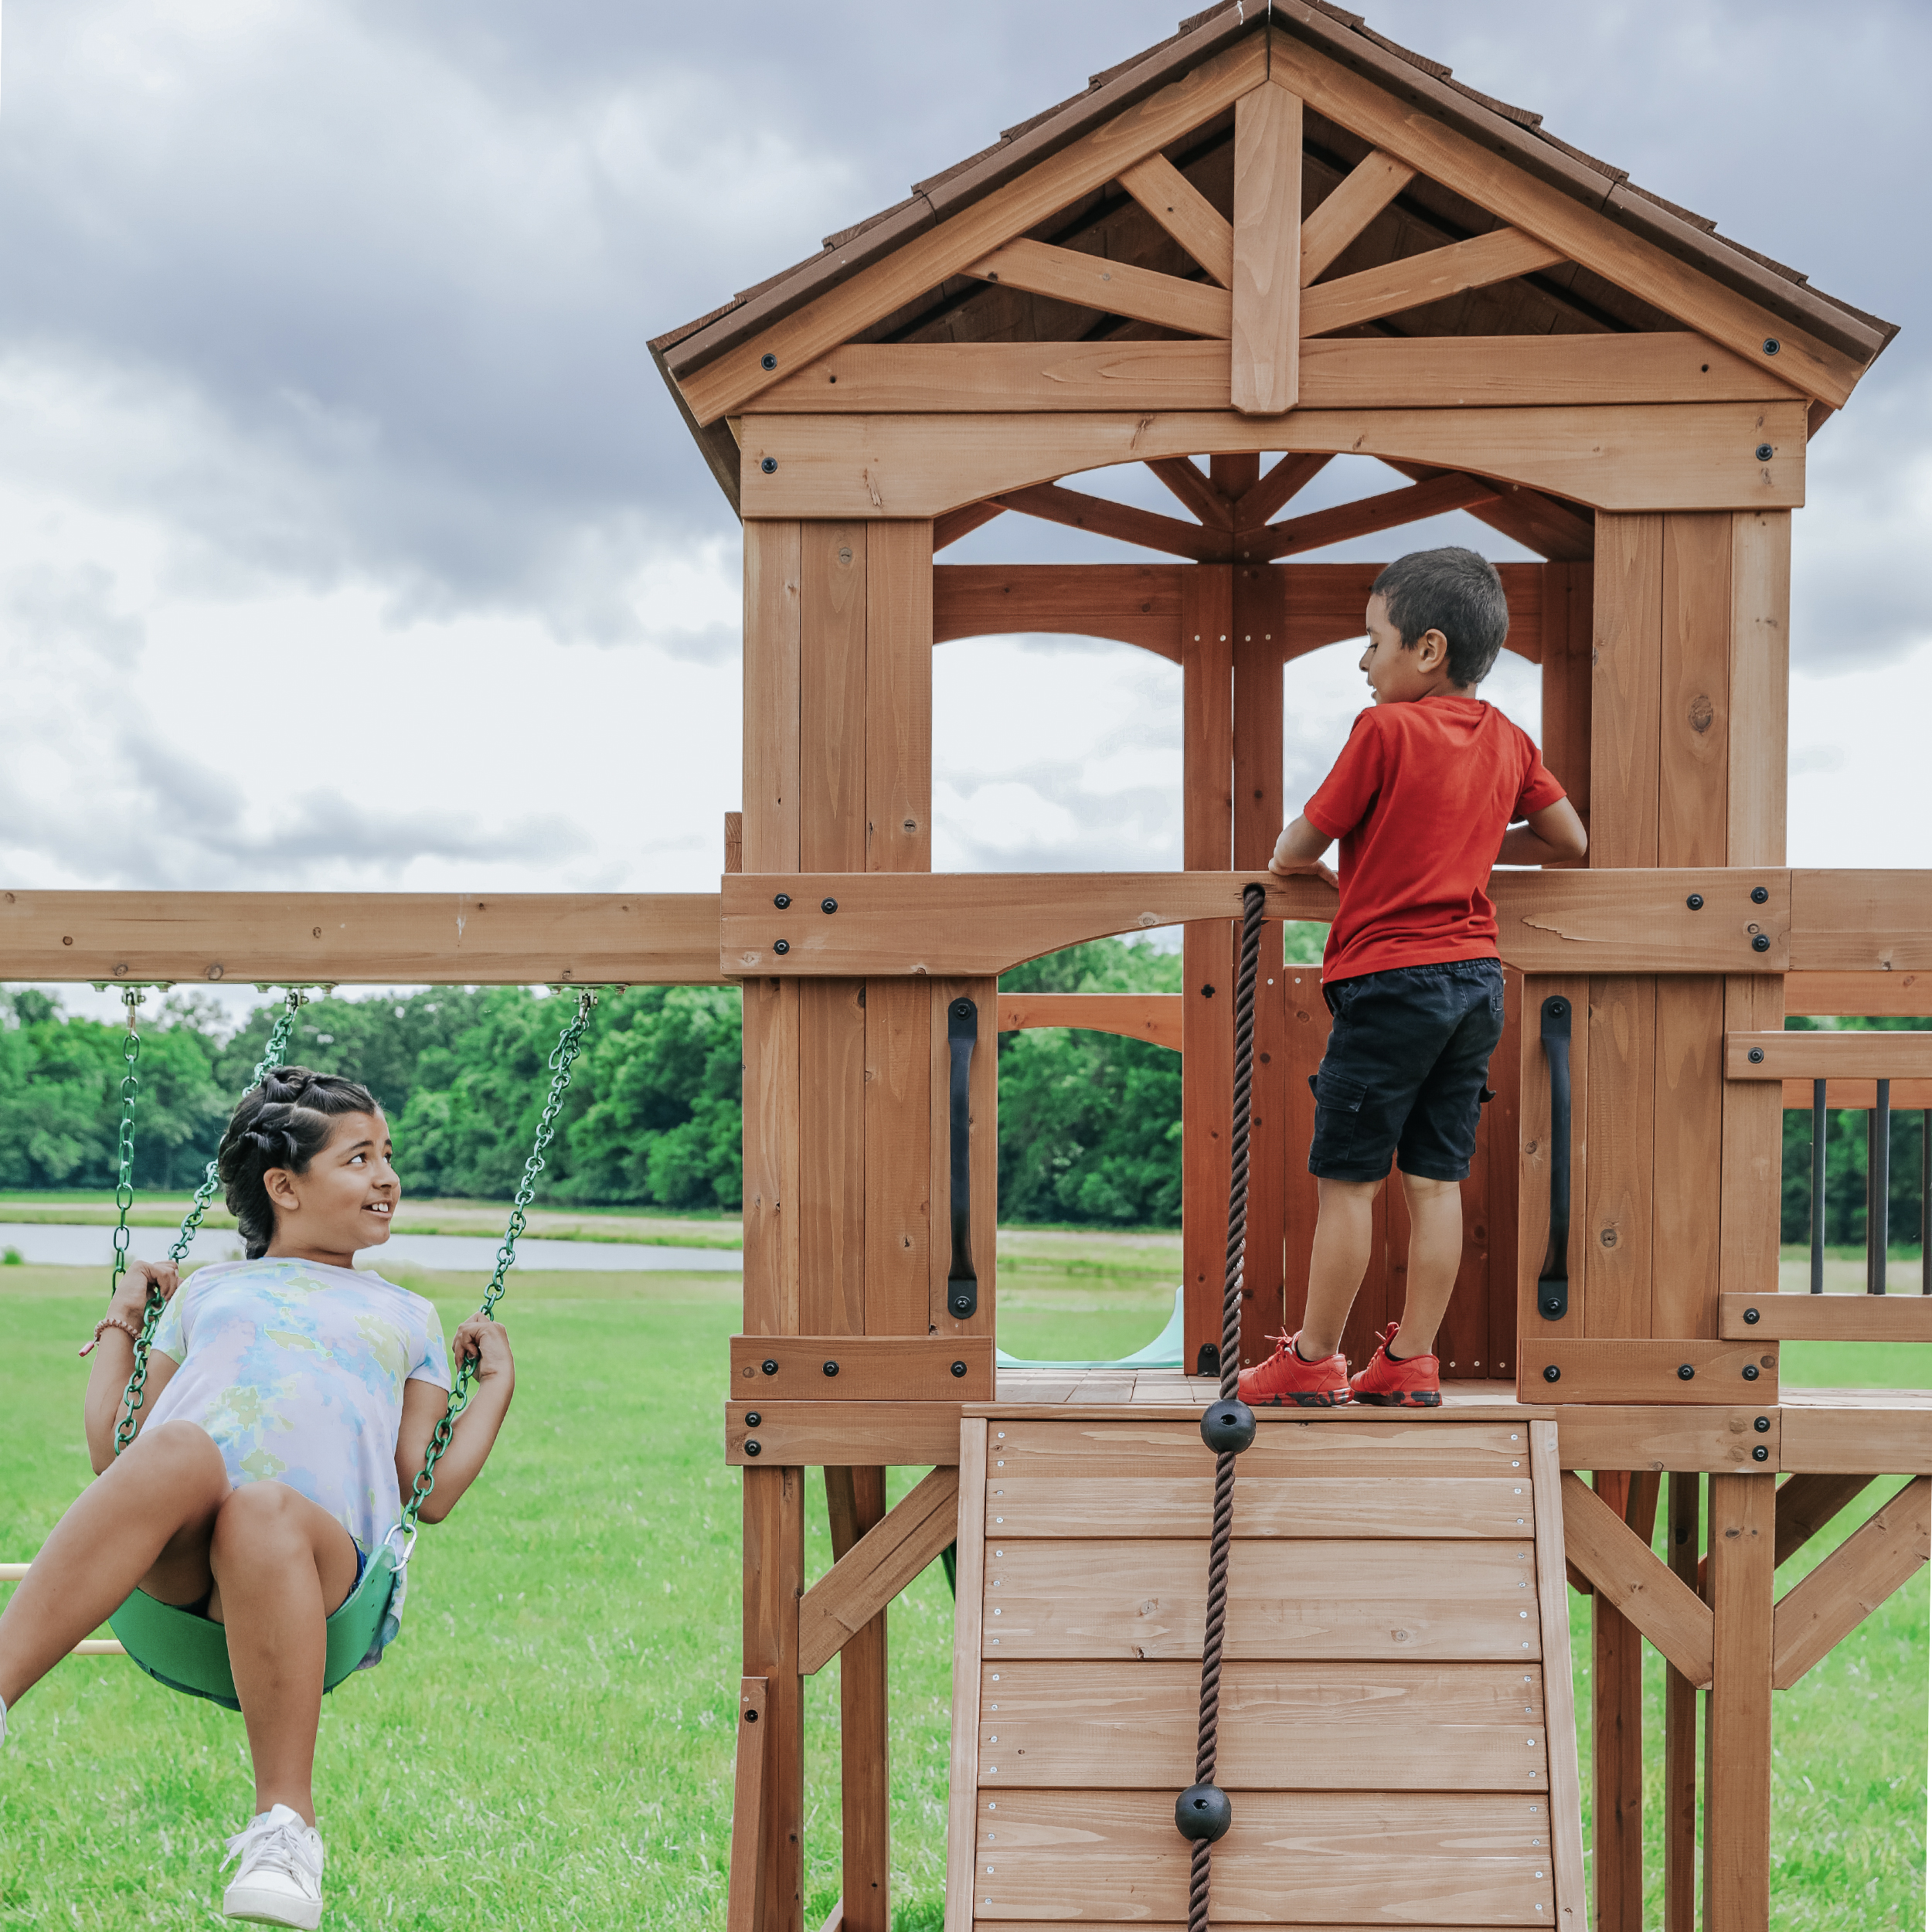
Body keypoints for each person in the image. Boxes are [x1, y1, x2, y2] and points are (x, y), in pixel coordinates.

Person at [0, 1068, 515, 1929]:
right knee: (177, 1448)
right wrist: (126, 1316)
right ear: (284, 1186)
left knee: (262, 1509)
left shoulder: (410, 1316)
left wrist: (493, 1385)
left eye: (387, 1155)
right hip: (176, 1570)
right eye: (359, 1158)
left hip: (315, 1574)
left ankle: (285, 1830)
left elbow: (424, 1490)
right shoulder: (209, 1289)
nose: (387, 1177)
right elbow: (117, 1452)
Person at [1240, 546, 1587, 1410]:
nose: (1364, 663)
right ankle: (1410, 1361)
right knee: (1435, 1182)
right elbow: (1569, 839)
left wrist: (1311, 861)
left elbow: (1296, 848)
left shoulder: (1383, 732)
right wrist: (1472, 841)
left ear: (1427, 649)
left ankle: (1314, 1359)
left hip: (1390, 983)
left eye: (1372, 641)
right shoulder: (1509, 738)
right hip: (1475, 985)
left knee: (1349, 1182)